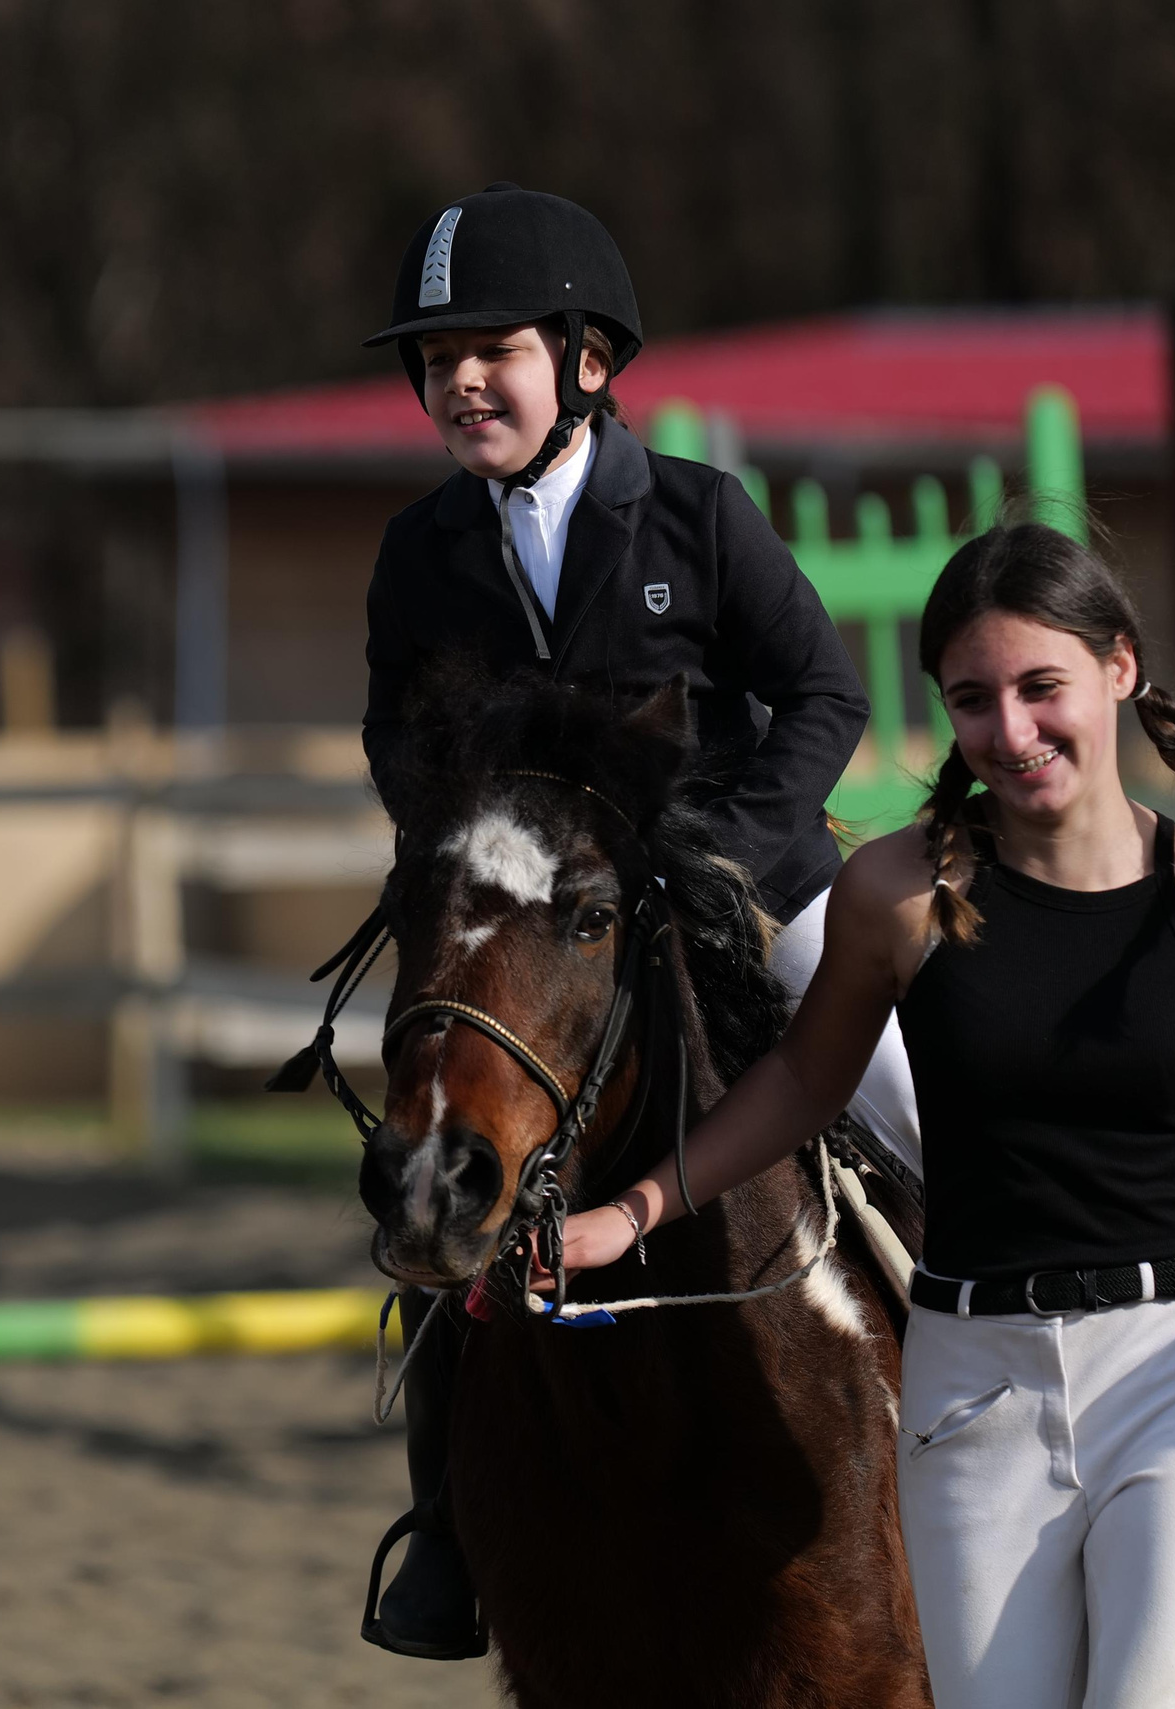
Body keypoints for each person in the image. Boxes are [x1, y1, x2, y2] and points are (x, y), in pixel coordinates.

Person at [548, 524, 1175, 1709]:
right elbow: (799, 1085)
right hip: (973, 1388)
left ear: (1120, 668)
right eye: (973, 699)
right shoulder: (897, 892)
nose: (1013, 730)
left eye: (1042, 686)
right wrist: (634, 1207)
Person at [352, 183, 922, 1658]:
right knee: (431, 1171)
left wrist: (718, 855)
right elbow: (394, 747)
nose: (458, 379)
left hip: (745, 900)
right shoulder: (421, 553)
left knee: (926, 1118)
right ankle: (446, 1532)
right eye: (435, 358)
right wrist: (469, 861)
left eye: (492, 349)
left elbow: (826, 698)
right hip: (542, 935)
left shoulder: (693, 516)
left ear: (589, 359)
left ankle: (997, 1418)